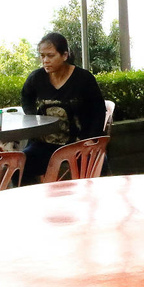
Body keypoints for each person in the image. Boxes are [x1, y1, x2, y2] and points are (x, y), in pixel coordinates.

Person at [21, 32, 107, 182]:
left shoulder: (84, 79)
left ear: (64, 55)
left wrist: (90, 140)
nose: (45, 61)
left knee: (100, 164)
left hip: (78, 143)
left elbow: (98, 111)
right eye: (42, 56)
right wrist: (34, 116)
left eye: (50, 55)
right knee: (20, 166)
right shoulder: (36, 78)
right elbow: (26, 97)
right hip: (44, 145)